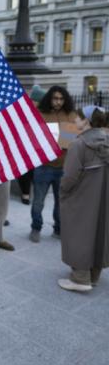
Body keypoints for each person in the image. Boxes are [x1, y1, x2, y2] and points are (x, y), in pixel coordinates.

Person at [58, 106, 109, 292]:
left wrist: (63, 192)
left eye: (78, 118)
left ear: (86, 121)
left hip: (82, 197)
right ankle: (93, 275)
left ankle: (80, 278)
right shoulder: (107, 140)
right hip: (103, 197)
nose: (74, 121)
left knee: (79, 233)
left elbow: (69, 177)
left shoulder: (78, 145)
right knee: (99, 232)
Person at [30, 86, 77, 242]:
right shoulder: (40, 114)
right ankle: (36, 227)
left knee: (61, 202)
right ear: (50, 98)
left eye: (61, 98)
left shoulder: (71, 115)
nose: (58, 102)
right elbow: (33, 139)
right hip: (43, 165)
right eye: (55, 98)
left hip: (64, 166)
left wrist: (69, 139)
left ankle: (59, 228)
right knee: (38, 201)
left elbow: (71, 142)